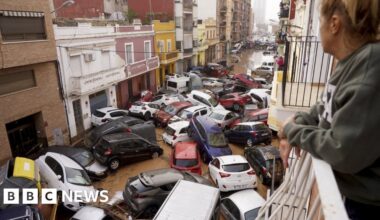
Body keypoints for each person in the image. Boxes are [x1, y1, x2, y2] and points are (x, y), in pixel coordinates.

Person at [277, 0, 380, 219]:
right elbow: (321, 110)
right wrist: (295, 126)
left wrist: (293, 130)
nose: (318, 27)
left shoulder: (370, 64)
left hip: (368, 208)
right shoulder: (348, 63)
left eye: (320, 20)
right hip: (353, 197)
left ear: (334, 24)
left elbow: (343, 151)